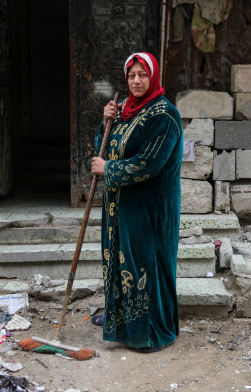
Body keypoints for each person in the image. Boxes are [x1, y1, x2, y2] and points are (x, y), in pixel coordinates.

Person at [90, 52, 183, 353]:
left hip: (149, 209)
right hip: (120, 206)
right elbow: (106, 150)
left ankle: (152, 333)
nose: (137, 80)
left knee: (146, 265)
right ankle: (125, 328)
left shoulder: (164, 115)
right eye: (132, 75)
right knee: (120, 263)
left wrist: (109, 170)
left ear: (153, 77)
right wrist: (105, 123)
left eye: (143, 74)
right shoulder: (124, 111)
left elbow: (149, 164)